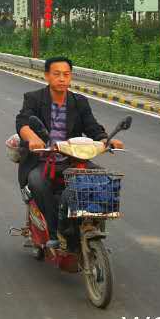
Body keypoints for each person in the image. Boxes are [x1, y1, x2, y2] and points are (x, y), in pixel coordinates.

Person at [16, 56, 123, 251]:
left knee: (102, 179)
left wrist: (106, 140)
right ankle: (54, 229)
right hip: (42, 160)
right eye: (56, 74)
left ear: (70, 77)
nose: (62, 79)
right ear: (47, 76)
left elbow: (92, 127)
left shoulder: (79, 101)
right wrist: (32, 138)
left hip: (73, 159)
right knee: (38, 183)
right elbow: (23, 122)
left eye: (66, 74)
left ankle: (89, 224)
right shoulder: (34, 98)